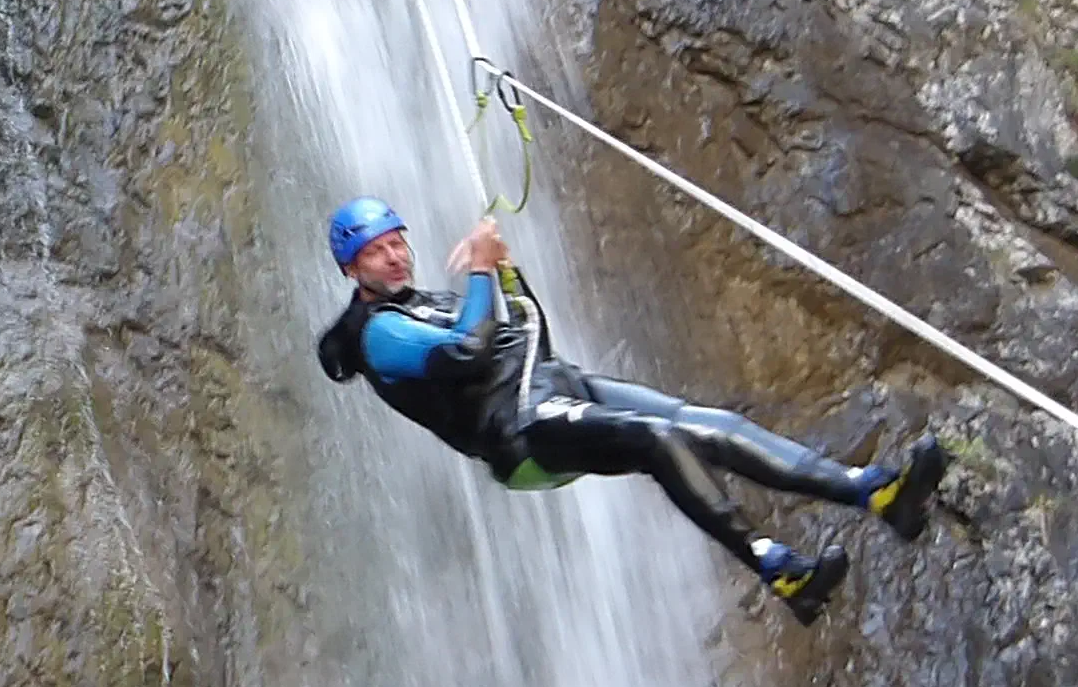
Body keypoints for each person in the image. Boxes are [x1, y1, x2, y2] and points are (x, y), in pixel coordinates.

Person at [312, 198, 949, 622]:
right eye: (377, 251)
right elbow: (469, 351)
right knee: (654, 439)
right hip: (521, 436)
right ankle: (775, 568)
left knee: (708, 426)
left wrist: (504, 274)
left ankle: (874, 494)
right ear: (352, 266)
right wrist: (482, 273)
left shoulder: (423, 301)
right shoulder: (378, 333)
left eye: (398, 243)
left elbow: (528, 334)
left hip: (557, 388)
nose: (395, 256)